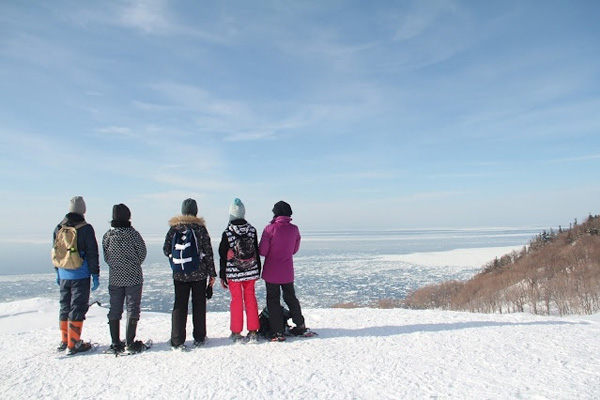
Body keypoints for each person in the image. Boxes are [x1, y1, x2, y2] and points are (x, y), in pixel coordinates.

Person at [163, 198, 216, 350]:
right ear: (195, 211)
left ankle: (177, 339)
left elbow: (166, 250)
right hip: (199, 273)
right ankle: (199, 337)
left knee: (180, 304)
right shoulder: (200, 228)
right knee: (199, 303)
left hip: (179, 273)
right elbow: (208, 252)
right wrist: (212, 274)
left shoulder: (174, 228)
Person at [53, 196, 100, 355]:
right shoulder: (85, 228)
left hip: (63, 273)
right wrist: (95, 273)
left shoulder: (59, 227)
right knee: (78, 307)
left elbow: (56, 252)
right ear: (83, 210)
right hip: (80, 273)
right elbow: (92, 252)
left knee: (64, 305)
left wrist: (57, 272)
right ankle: (74, 344)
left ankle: (65, 340)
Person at [102, 204, 147, 354]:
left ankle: (115, 343)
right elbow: (142, 254)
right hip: (133, 276)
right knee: (133, 307)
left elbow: (106, 257)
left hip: (115, 277)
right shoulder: (133, 234)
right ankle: (130, 343)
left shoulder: (108, 236)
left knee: (115, 308)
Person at [258, 200, 306, 342]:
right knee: (291, 297)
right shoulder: (294, 229)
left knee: (273, 300)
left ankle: (277, 331)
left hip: (272, 271)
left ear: (275, 213)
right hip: (287, 271)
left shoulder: (269, 229)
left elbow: (262, 251)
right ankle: (300, 325)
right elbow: (294, 250)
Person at [218, 198, 261, 343]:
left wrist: (223, 275)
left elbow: (222, 254)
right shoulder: (252, 230)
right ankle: (253, 330)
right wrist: (257, 271)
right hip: (251, 271)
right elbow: (256, 249)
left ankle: (236, 332)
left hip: (234, 273)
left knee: (236, 300)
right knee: (251, 298)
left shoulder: (228, 232)